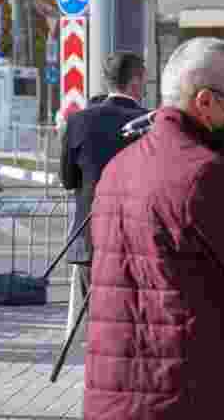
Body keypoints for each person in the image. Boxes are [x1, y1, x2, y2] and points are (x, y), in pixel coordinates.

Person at [82, 38, 224, 419]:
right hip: (196, 393)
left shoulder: (119, 168)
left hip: (123, 393)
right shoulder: (208, 175)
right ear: (205, 102)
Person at [59, 52, 148, 343]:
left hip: (89, 236)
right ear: (136, 82)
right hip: (136, 238)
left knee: (98, 322)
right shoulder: (149, 123)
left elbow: (68, 179)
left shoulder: (79, 121)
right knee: (132, 321)